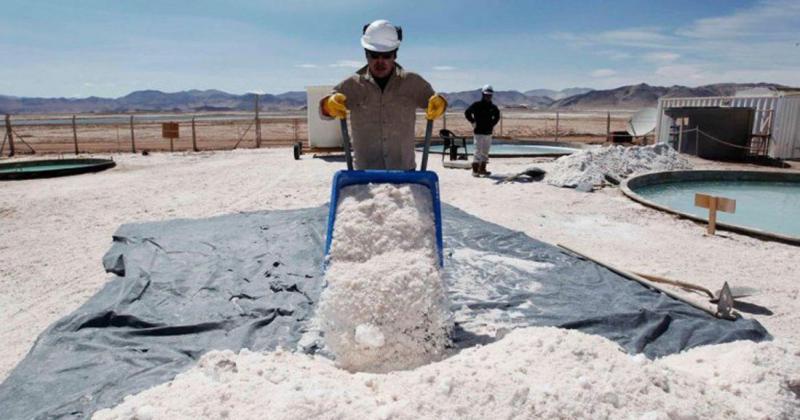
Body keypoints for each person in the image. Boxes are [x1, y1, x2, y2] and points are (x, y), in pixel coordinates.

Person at [319, 19, 447, 170]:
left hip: (404, 173)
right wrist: (328, 105)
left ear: (395, 55)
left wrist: (441, 104)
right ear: (366, 54)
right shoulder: (352, 85)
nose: (380, 61)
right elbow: (324, 113)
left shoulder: (413, 82)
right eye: (374, 55)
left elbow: (436, 102)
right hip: (364, 174)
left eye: (386, 56)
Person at [464, 85, 500, 176]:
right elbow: (467, 112)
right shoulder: (476, 105)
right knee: (478, 151)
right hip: (478, 132)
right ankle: (475, 170)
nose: (488, 97)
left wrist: (492, 124)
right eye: (486, 95)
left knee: (485, 152)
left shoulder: (493, 107)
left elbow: (497, 116)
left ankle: (482, 169)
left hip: (488, 132)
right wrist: (472, 121)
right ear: (483, 94)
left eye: (490, 95)